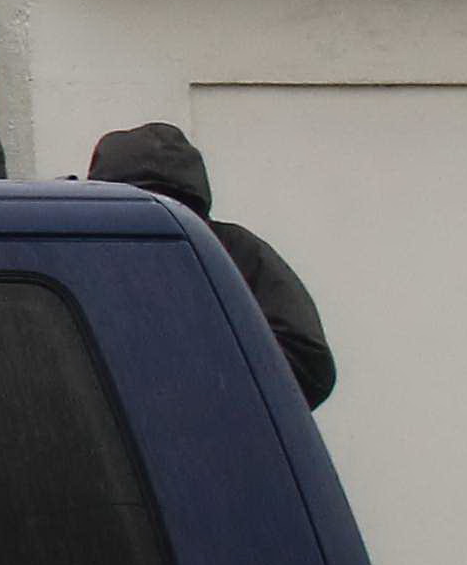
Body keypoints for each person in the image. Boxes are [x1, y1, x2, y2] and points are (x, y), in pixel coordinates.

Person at [87, 121, 337, 407]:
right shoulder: (83, 254)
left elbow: (307, 364)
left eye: (168, 205)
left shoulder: (233, 251)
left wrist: (197, 376)